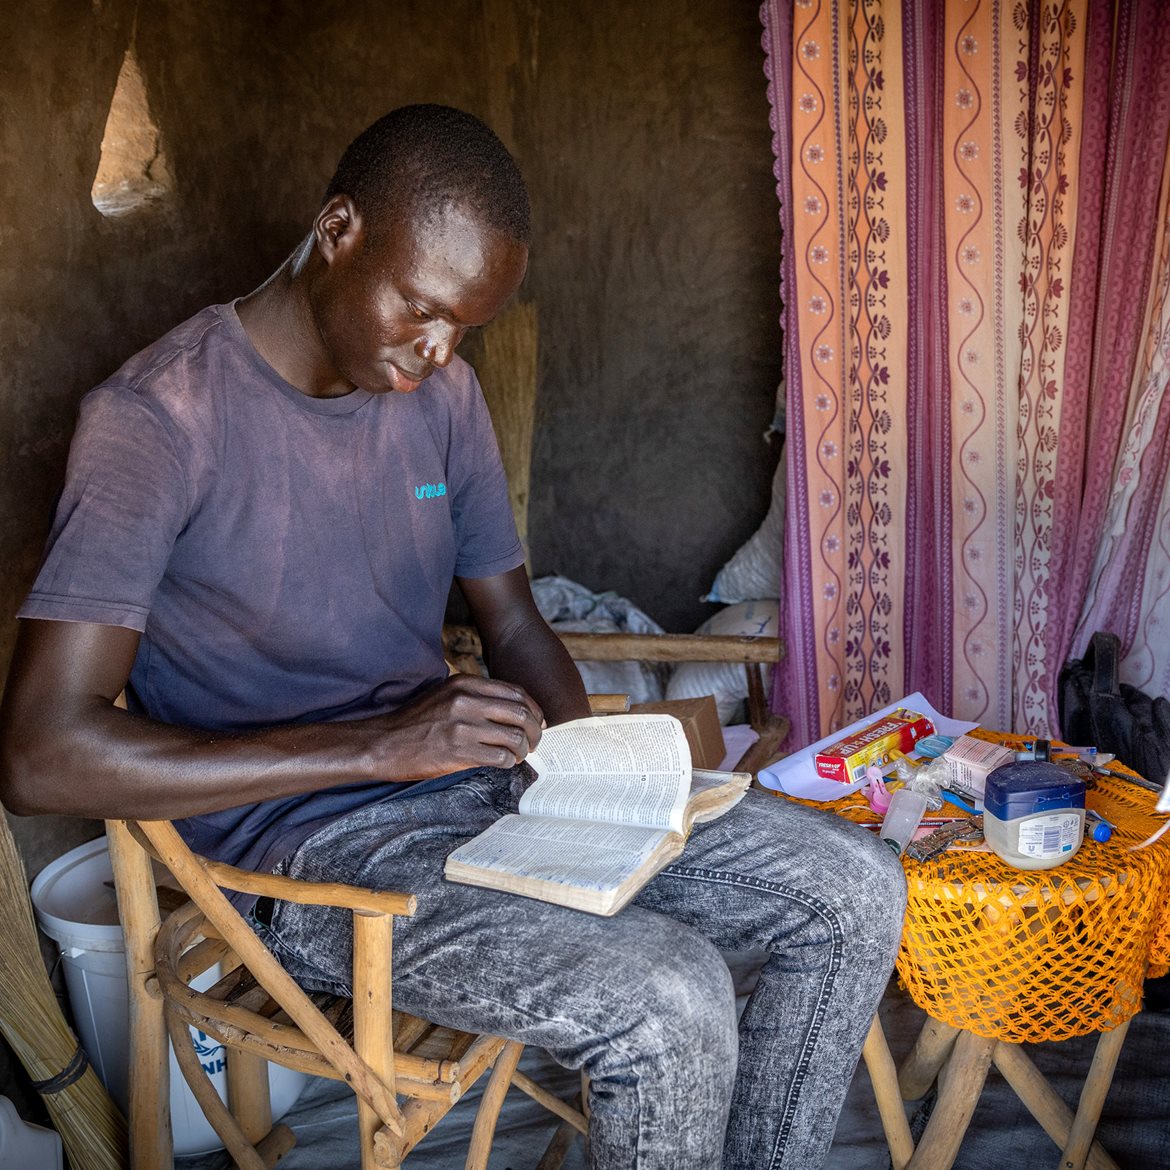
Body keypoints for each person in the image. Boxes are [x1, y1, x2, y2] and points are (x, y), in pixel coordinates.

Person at [0, 104, 906, 1169]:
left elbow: (512, 621)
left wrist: (597, 780)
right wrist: (383, 747)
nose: (435, 351)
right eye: (421, 309)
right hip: (305, 855)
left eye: (464, 326)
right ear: (339, 229)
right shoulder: (160, 421)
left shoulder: (443, 399)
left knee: (854, 891)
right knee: (669, 997)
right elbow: (39, 754)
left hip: (485, 796)